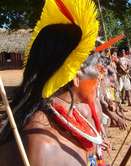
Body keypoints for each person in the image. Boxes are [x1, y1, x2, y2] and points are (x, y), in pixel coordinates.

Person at [0, 0, 110, 165]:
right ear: (75, 73)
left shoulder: (70, 118)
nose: (101, 75)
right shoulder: (41, 146)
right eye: (97, 68)